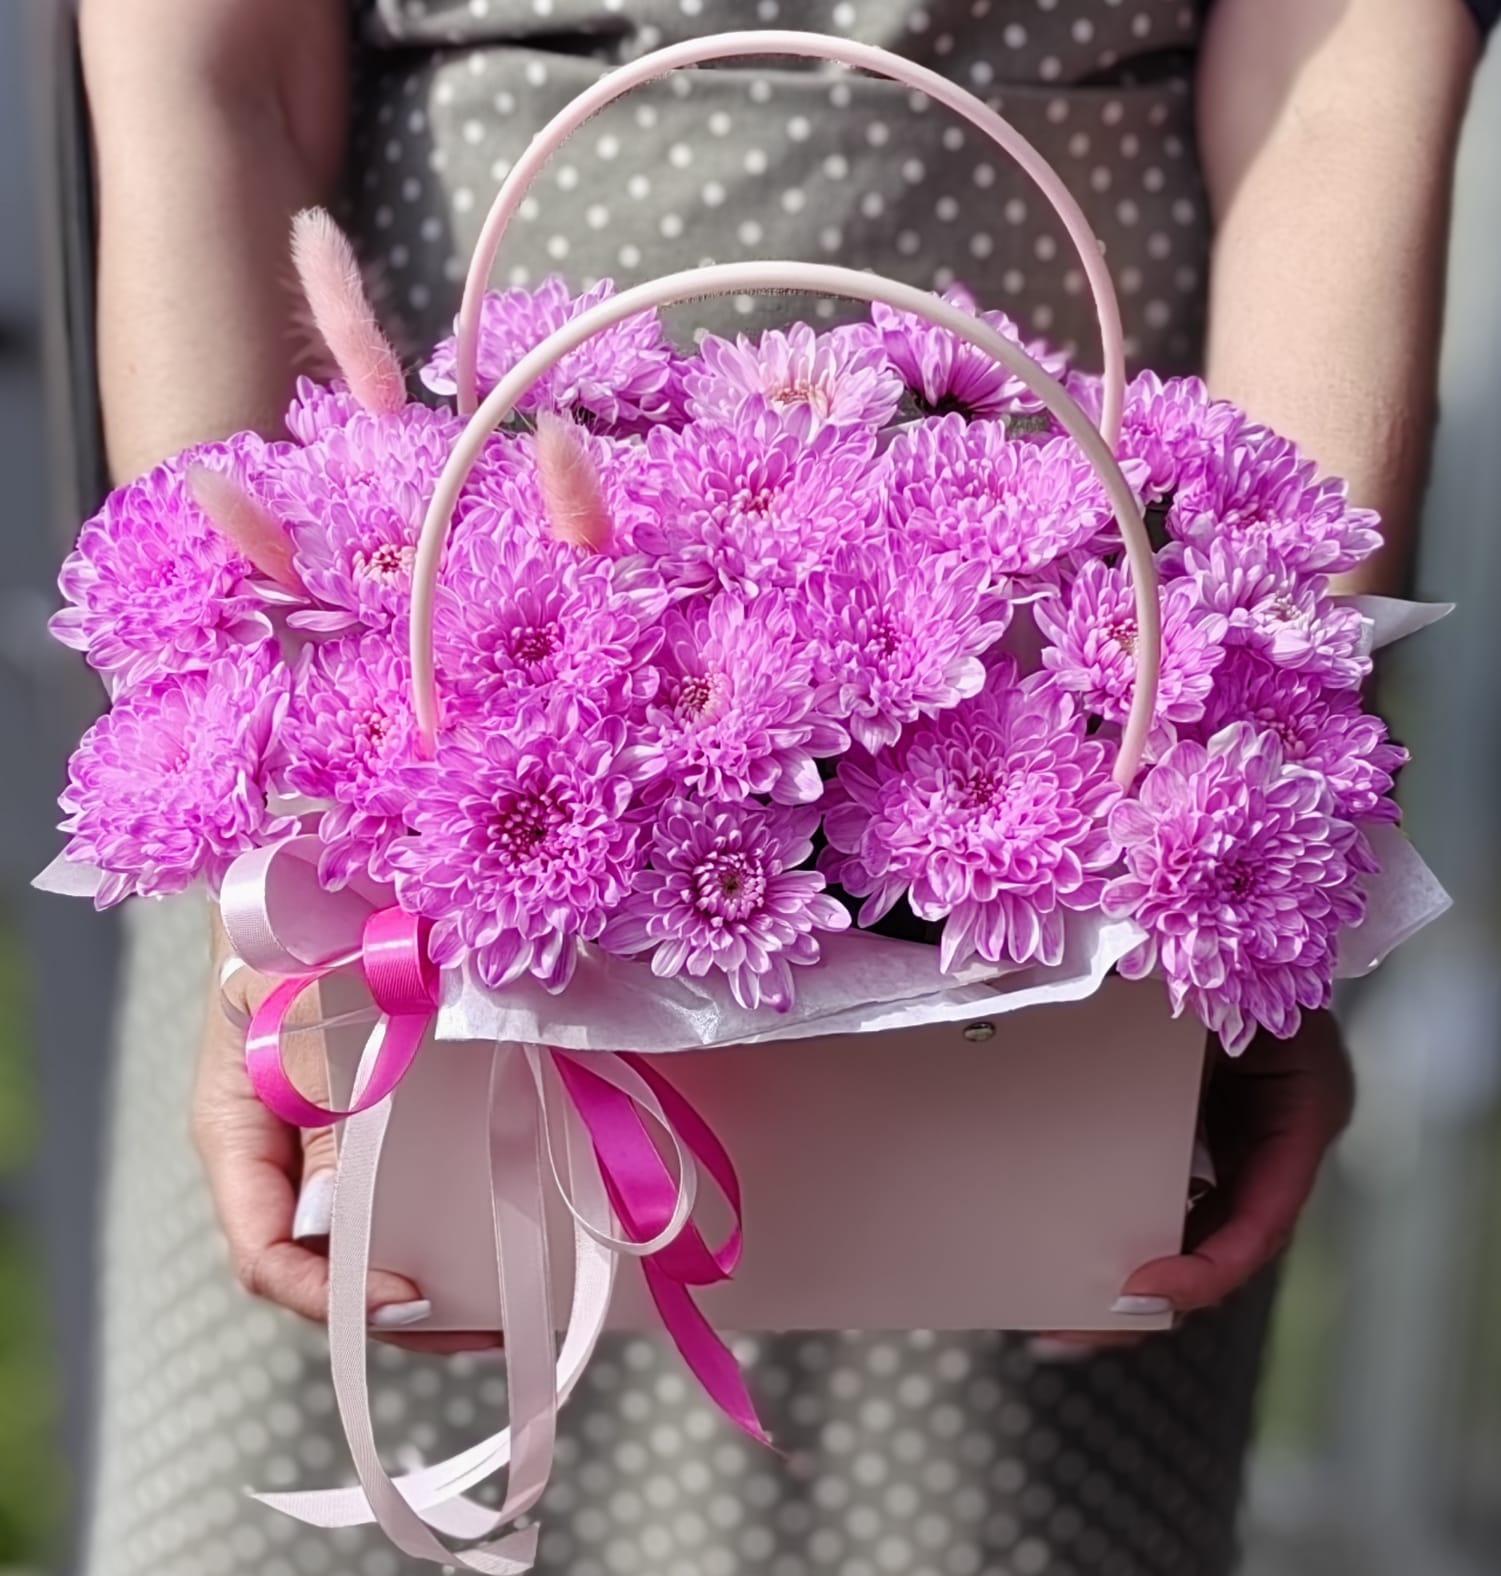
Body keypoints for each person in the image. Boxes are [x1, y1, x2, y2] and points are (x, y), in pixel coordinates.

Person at [76, 3, 1488, 1574]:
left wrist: (1264, 822)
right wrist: (260, 849)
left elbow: (1333, 65)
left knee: (995, 1442)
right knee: (374, 1289)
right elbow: (211, 80)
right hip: (408, 707)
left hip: (1057, 715)